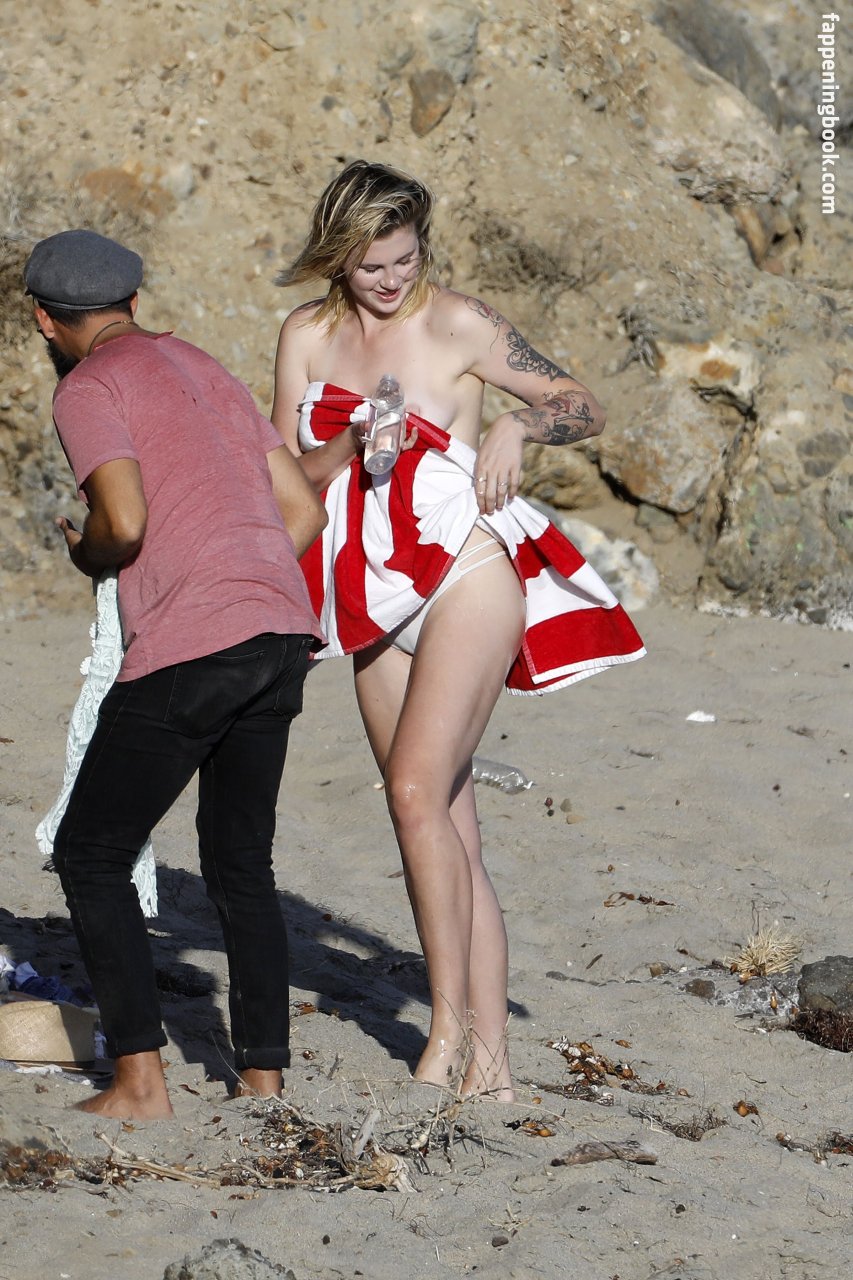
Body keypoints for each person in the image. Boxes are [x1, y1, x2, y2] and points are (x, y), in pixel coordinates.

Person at [271, 160, 645, 1102]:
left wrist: (518, 428)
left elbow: (582, 402)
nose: (391, 280)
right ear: (336, 256)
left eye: (404, 259)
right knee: (440, 825)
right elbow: (286, 478)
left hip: (465, 571)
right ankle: (491, 1064)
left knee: (410, 790)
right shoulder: (305, 334)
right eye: (371, 265)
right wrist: (351, 443)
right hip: (369, 593)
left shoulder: (460, 323)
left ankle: (444, 1031)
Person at [24, 229, 328, 1120]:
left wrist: (90, 554)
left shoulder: (89, 386)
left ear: (43, 320)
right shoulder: (202, 365)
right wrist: (240, 577)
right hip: (281, 630)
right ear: (132, 302)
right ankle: (262, 1081)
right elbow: (301, 511)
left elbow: (121, 520)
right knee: (240, 863)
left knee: (90, 853)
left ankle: (139, 1083)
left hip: (194, 646)